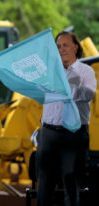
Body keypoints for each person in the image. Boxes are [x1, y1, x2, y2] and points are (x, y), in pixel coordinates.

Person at [36, 31, 97, 206]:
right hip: (48, 134)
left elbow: (88, 95)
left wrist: (69, 84)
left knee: (72, 185)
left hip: (74, 135)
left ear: (76, 47)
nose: (61, 49)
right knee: (44, 185)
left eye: (65, 45)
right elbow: (38, 94)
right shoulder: (47, 72)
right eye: (58, 46)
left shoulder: (86, 72)